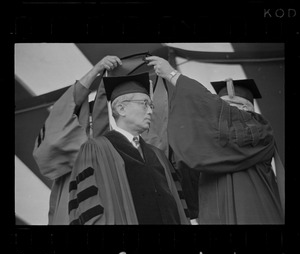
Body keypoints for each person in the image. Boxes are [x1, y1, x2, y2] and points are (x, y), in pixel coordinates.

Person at [33, 55, 189, 225]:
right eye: (90, 119)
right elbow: (58, 124)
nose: (97, 122)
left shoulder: (147, 148)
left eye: (149, 105)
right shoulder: (85, 147)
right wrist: (96, 71)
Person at [146, 55, 284, 224]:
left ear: (249, 110)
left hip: (254, 214)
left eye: (235, 109)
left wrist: (173, 75)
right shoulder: (208, 142)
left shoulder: (260, 131)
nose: (227, 115)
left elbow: (214, 112)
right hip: (213, 214)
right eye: (224, 107)